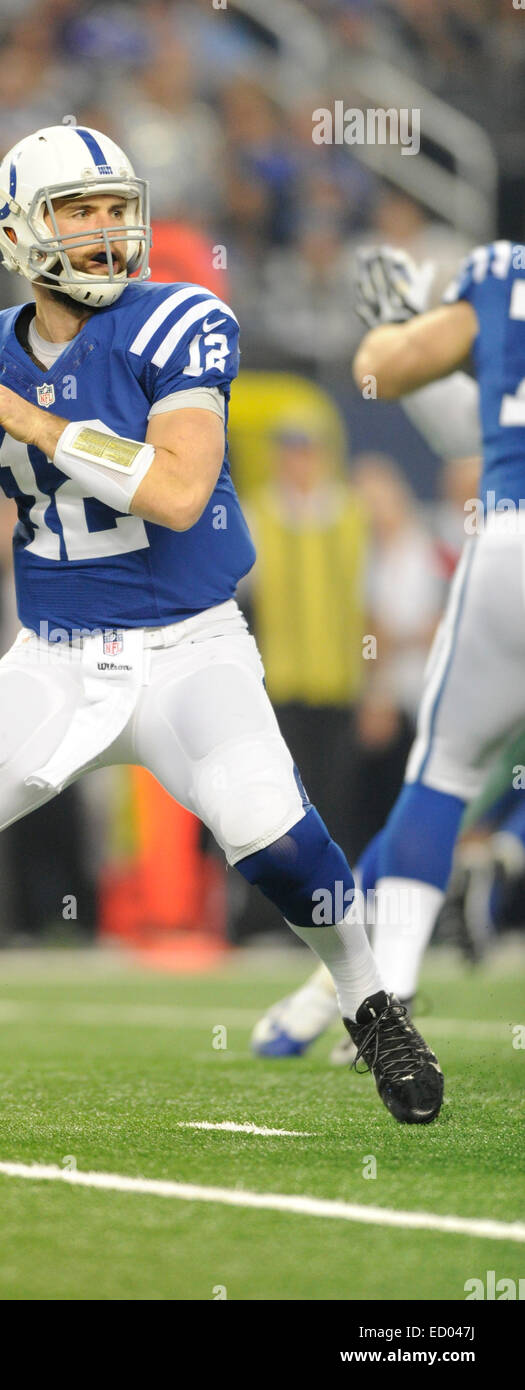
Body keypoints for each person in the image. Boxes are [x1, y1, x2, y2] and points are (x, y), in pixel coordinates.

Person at [0, 127, 442, 1125]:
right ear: (20, 230)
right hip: (56, 661)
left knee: (272, 837)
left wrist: (28, 418)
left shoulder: (181, 320)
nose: (105, 230)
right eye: (78, 211)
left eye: (114, 207)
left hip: (192, 647)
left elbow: (182, 491)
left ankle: (371, 1007)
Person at [254, 240, 523, 1059]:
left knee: (438, 776)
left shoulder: (502, 277)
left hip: (511, 544)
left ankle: (383, 988)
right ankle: (496, 857)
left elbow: (397, 370)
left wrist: (397, 322)